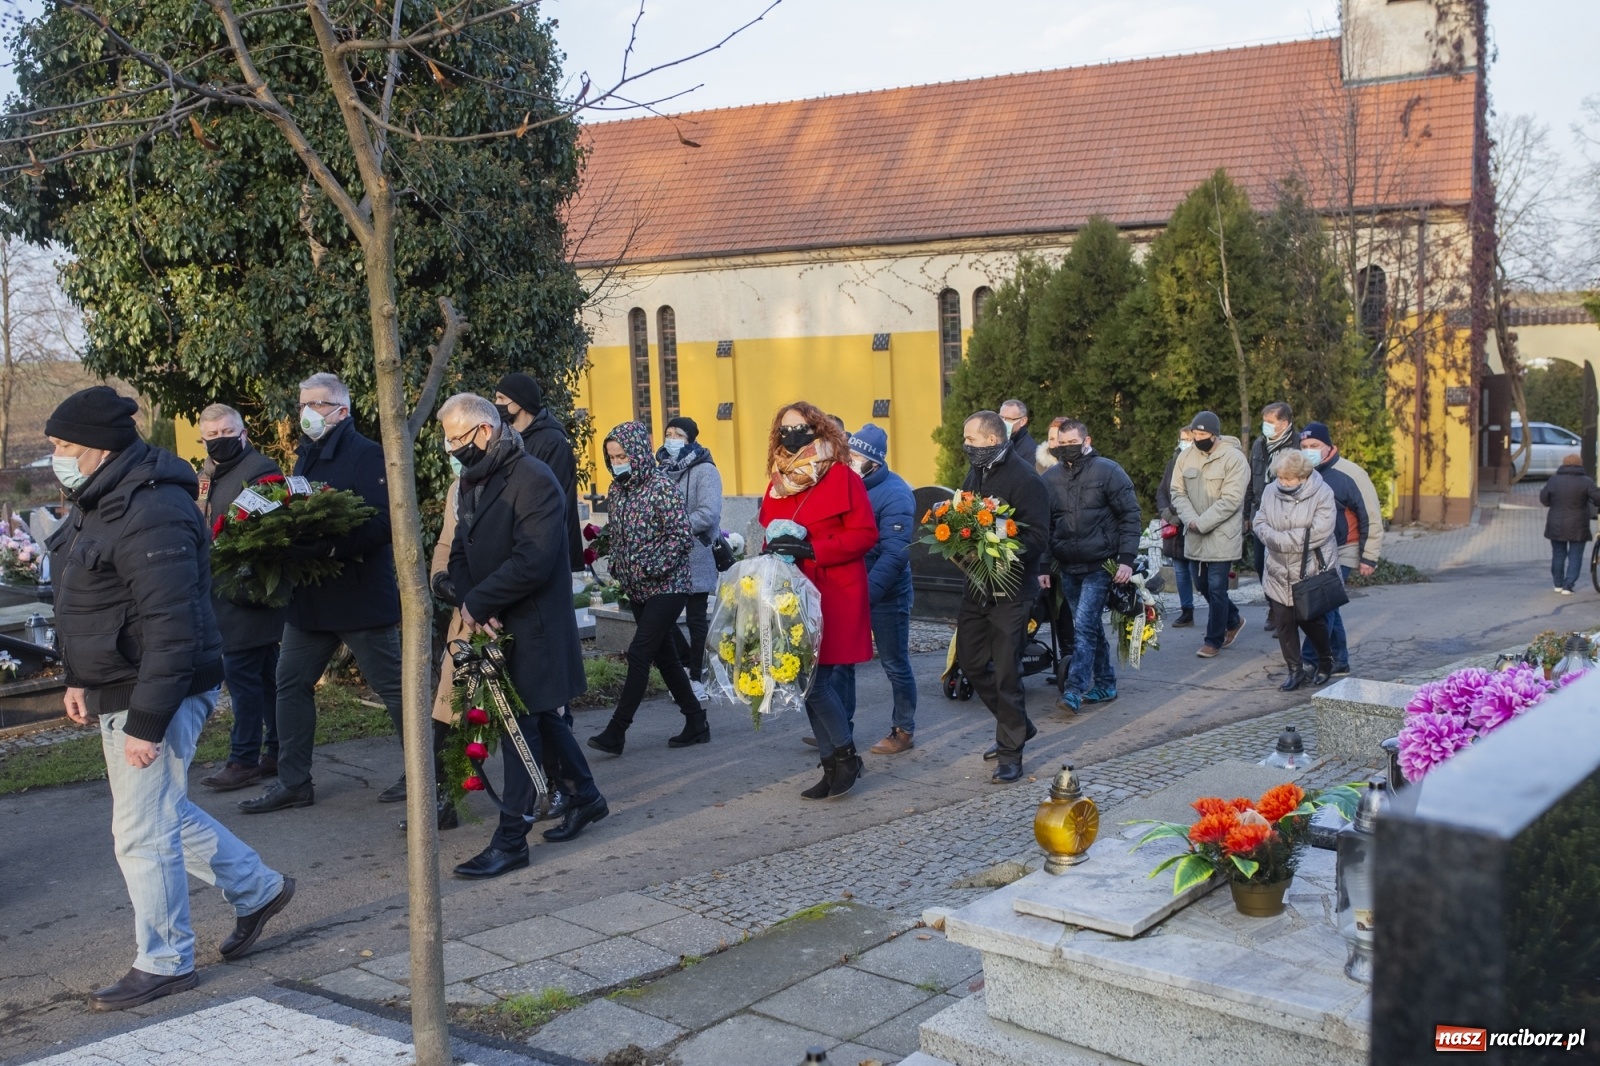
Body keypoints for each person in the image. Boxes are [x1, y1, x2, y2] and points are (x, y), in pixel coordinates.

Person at [45, 386, 292, 1010]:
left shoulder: (152, 507)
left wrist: (147, 722)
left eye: (66, 445)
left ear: (102, 447)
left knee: (140, 831)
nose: (58, 457)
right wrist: (78, 676)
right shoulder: (100, 497)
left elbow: (171, 626)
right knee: (162, 814)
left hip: (157, 690)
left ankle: (166, 960)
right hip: (121, 683)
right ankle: (258, 889)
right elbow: (87, 598)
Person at [438, 395, 607, 878]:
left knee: (519, 728)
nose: (452, 450)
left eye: (456, 439)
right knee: (540, 719)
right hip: (495, 621)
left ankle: (511, 839)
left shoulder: (533, 478)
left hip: (533, 627)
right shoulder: (470, 480)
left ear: (484, 432)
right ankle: (586, 795)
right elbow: (460, 552)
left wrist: (480, 603)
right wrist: (472, 601)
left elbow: (534, 559)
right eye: (447, 441)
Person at [240, 373, 407, 814]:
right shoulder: (305, 457)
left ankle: (426, 771)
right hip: (310, 602)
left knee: (393, 687)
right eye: (302, 405)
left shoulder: (367, 455)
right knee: (290, 683)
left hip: (358, 600)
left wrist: (330, 547)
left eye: (315, 404)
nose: (306, 413)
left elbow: (384, 521)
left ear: (341, 410)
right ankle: (294, 782)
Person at [759, 402, 878, 798]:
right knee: (804, 679)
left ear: (818, 429)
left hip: (834, 590)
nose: (792, 435)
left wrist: (814, 548)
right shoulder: (779, 480)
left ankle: (847, 758)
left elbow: (865, 534)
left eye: (801, 427)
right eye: (785, 428)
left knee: (817, 682)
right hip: (792, 592)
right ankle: (832, 766)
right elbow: (769, 532)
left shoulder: (842, 475)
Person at [586, 422, 709, 755]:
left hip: (669, 585)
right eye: (612, 458)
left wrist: (651, 566)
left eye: (622, 456)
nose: (617, 463)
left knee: (640, 653)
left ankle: (617, 730)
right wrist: (617, 564)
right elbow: (619, 535)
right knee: (665, 657)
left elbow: (681, 537)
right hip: (637, 587)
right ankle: (696, 721)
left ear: (638, 453)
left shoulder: (661, 487)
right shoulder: (617, 490)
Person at [955, 410, 1051, 783]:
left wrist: (1000, 546)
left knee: (1008, 672)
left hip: (1012, 590)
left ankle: (1011, 752)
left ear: (993, 440)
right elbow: (967, 515)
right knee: (971, 663)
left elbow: (1038, 537)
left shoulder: (1026, 479)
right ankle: (1019, 724)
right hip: (977, 587)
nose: (965, 445)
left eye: (971, 439)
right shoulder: (976, 471)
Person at [195, 404, 287, 792]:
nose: (220, 440)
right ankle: (278, 751)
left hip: (249, 593)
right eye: (212, 435)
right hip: (225, 595)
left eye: (226, 432)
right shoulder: (206, 476)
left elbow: (270, 530)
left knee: (244, 679)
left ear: (243, 433)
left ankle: (244, 759)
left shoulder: (261, 471)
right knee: (265, 680)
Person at [830, 424, 918, 754]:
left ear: (874, 462)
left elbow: (895, 554)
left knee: (894, 663)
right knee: (842, 662)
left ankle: (903, 729)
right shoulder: (846, 485)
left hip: (885, 594)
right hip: (849, 589)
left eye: (854, 456)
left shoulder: (895, 493)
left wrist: (864, 596)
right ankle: (840, 728)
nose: (848, 461)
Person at [1043, 420, 1141, 713]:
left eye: (1072, 442)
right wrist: (1044, 566)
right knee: (1090, 627)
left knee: (1084, 626)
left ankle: (1074, 690)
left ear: (1087, 441)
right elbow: (1045, 525)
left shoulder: (1108, 471)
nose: (1067, 448)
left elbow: (1130, 516)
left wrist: (1126, 560)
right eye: (1062, 443)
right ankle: (1106, 683)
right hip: (1068, 566)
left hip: (1100, 565)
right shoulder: (1050, 478)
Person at [1252, 450, 1339, 690]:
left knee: (1311, 621)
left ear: (1302, 476)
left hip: (1309, 567)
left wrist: (1279, 539)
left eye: (1288, 478)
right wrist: (1274, 538)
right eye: (1280, 477)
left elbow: (1321, 531)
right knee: (1284, 623)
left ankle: (1325, 660)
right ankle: (1295, 670)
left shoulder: (1322, 492)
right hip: (1278, 568)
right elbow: (1259, 522)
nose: (1283, 483)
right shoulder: (1270, 491)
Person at [1169, 410, 1249, 658]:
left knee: (1216, 587)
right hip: (1194, 532)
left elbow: (1232, 499)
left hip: (1222, 534)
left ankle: (1213, 640)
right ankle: (1233, 618)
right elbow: (1177, 492)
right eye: (1195, 434)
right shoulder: (1185, 457)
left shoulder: (1234, 458)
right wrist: (1191, 520)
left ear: (1215, 435)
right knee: (1201, 585)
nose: (1198, 438)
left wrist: (1202, 522)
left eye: (1203, 435)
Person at [1297, 423, 1373, 674]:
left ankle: (1310, 659)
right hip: (1316, 550)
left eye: (1314, 446)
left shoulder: (1350, 474)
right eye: (1304, 446)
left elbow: (1369, 515)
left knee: (1323, 604)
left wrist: (1369, 556)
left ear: (1329, 446)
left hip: (1344, 549)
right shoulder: (1302, 473)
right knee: (1331, 606)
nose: (1308, 450)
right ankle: (1340, 660)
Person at [657, 416, 724, 702]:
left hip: (696, 553)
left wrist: (675, 527)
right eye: (668, 433)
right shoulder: (660, 470)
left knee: (696, 618)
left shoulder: (705, 470)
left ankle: (698, 677)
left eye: (679, 435)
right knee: (660, 617)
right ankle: (685, 663)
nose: (672, 439)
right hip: (666, 555)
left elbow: (708, 512)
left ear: (691, 439)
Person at [494, 373, 584, 573]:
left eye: (502, 398)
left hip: (546, 545)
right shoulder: (504, 437)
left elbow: (552, 496)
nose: (496, 404)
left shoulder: (553, 441)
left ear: (520, 401)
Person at [1246, 403, 1298, 635]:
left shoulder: (1298, 444)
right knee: (1261, 564)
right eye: (1264, 421)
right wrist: (1246, 514)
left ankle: (1285, 616)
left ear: (1284, 423)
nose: (1265, 426)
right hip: (1261, 513)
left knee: (1284, 567)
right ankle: (1273, 607)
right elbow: (1250, 481)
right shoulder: (1259, 445)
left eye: (1270, 422)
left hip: (1287, 515)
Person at [1156, 427, 1201, 628]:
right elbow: (1162, 491)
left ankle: (1221, 613)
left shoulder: (1201, 463)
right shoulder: (1173, 461)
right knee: (1181, 571)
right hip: (1175, 528)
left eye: (1188, 439)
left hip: (1192, 524)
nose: (1184, 443)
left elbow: (1194, 494)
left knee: (1198, 574)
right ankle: (1186, 610)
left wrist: (1179, 514)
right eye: (1182, 439)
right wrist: (1167, 514)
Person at [1539, 452, 1600, 595]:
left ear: (1564, 464)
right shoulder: (1586, 481)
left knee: (1558, 553)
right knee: (1575, 555)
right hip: (1578, 524)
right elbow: (1598, 498)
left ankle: (1558, 584)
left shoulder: (1554, 480)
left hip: (1556, 523)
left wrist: (1553, 503)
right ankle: (1568, 585)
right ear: (1580, 464)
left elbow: (1544, 498)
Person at [1000, 399, 1037, 470]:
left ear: (1023, 421)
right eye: (1001, 417)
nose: (1003, 422)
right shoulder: (998, 441)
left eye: (1008, 419)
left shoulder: (1030, 451)